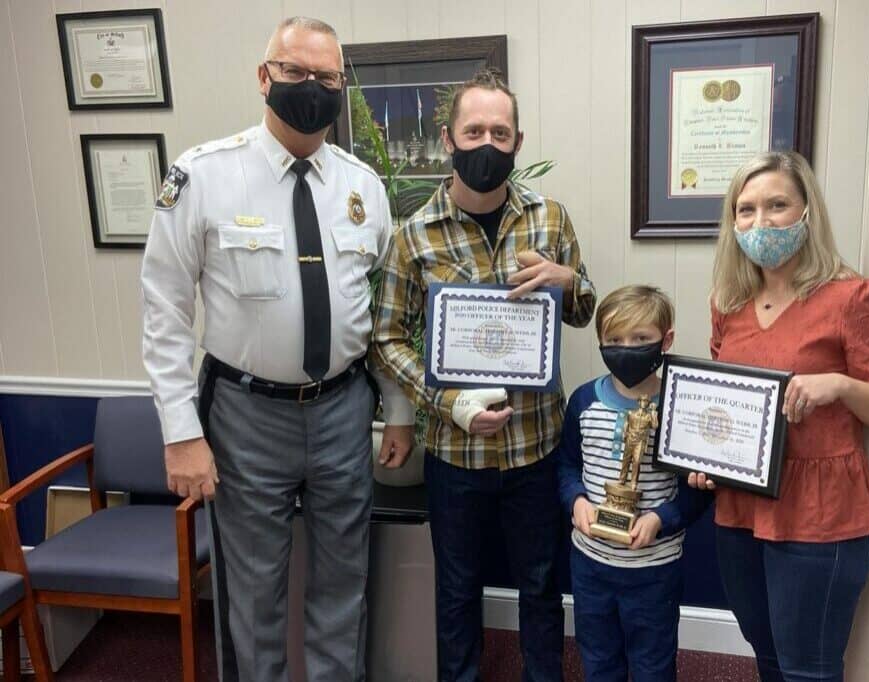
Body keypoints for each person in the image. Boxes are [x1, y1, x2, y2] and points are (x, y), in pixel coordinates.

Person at [141, 17, 415, 682]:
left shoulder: (363, 188)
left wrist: (399, 408)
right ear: (264, 78)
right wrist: (181, 432)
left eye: (327, 78)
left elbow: (386, 313)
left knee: (343, 580)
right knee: (253, 589)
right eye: (296, 72)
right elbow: (165, 310)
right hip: (244, 414)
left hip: (343, 409)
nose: (312, 88)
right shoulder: (203, 176)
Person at [371, 69, 596, 681]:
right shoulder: (412, 234)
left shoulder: (550, 219)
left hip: (535, 448)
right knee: (457, 593)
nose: (487, 145)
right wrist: (445, 401)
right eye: (475, 131)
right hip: (455, 452)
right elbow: (385, 337)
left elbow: (584, 310)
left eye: (500, 132)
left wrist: (569, 281)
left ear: (518, 141)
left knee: (542, 588)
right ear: (449, 138)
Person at [689, 151, 869, 681]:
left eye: (777, 205)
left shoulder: (853, 298)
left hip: (821, 512)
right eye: (746, 209)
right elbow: (727, 404)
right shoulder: (728, 303)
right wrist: (707, 457)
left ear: (807, 213)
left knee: (809, 669)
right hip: (741, 506)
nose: (761, 222)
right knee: (768, 655)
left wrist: (841, 386)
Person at [555, 285, 711, 682]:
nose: (627, 348)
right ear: (601, 342)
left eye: (641, 339)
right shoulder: (583, 402)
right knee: (598, 658)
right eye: (615, 339)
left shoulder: (680, 408)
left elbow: (696, 494)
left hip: (654, 569)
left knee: (652, 663)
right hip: (590, 564)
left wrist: (662, 518)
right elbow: (567, 466)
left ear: (666, 340)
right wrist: (576, 502)